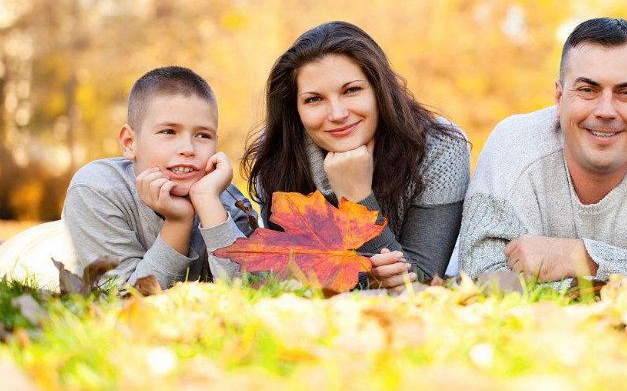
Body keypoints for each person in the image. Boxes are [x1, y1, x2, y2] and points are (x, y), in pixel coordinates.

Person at [459, 18, 627, 289]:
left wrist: (584, 258)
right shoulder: (513, 146)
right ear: (559, 97)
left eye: (626, 92)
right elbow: (482, 277)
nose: (606, 111)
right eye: (587, 90)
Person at [242, 21, 470, 291]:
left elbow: (418, 278)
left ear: (379, 90)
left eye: (351, 90)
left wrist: (357, 197)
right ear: (295, 110)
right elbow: (291, 277)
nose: (337, 114)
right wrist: (369, 276)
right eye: (314, 99)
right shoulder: (278, 150)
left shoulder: (439, 149)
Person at [62, 66, 256, 289]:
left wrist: (209, 205)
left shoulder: (226, 203)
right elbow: (126, 299)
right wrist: (178, 222)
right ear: (129, 143)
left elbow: (250, 291)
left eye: (203, 135)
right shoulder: (96, 189)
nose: (188, 148)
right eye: (169, 132)